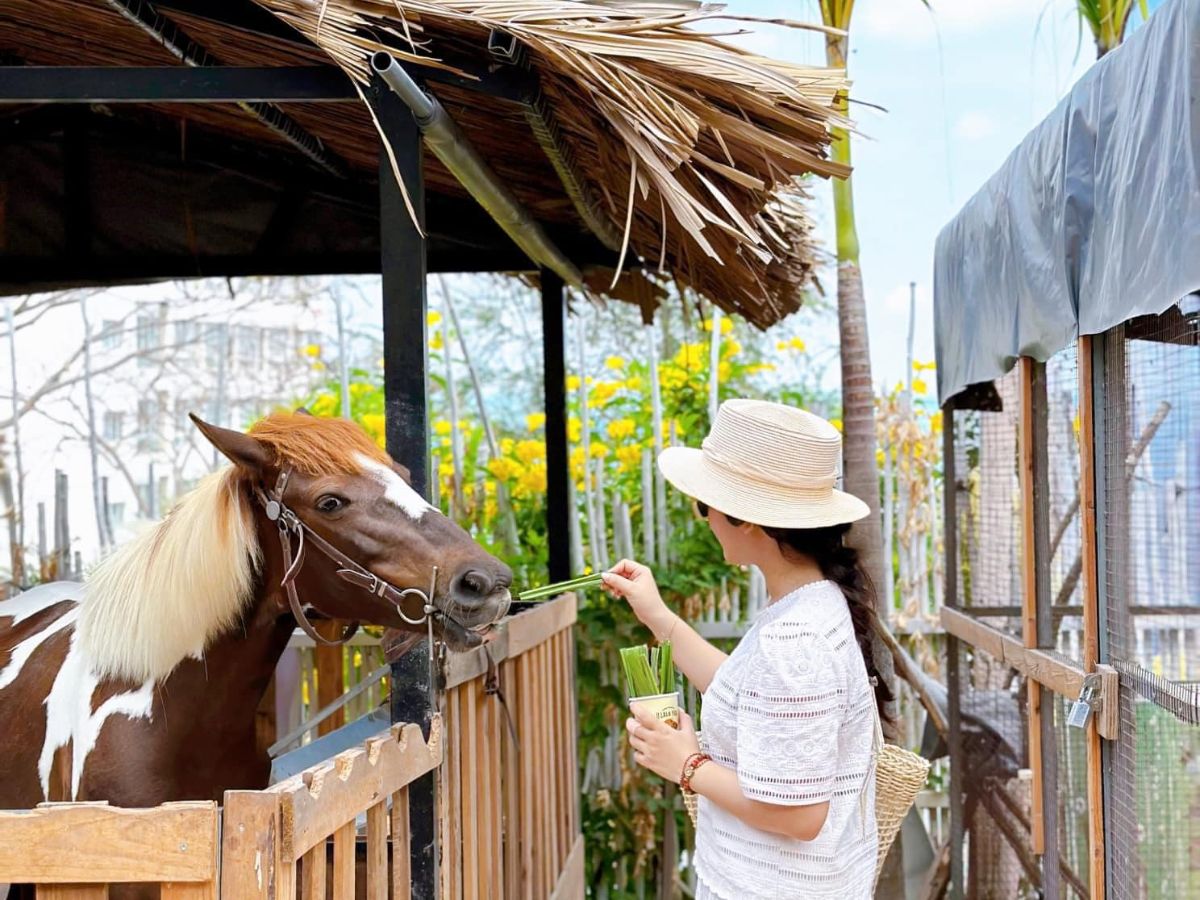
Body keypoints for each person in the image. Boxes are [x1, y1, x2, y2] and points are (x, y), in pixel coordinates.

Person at [601, 398, 890, 899]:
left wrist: (688, 765)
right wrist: (658, 616)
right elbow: (748, 694)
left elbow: (801, 816)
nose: (706, 519)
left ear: (747, 519)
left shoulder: (795, 639)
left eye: (705, 505)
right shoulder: (810, 604)